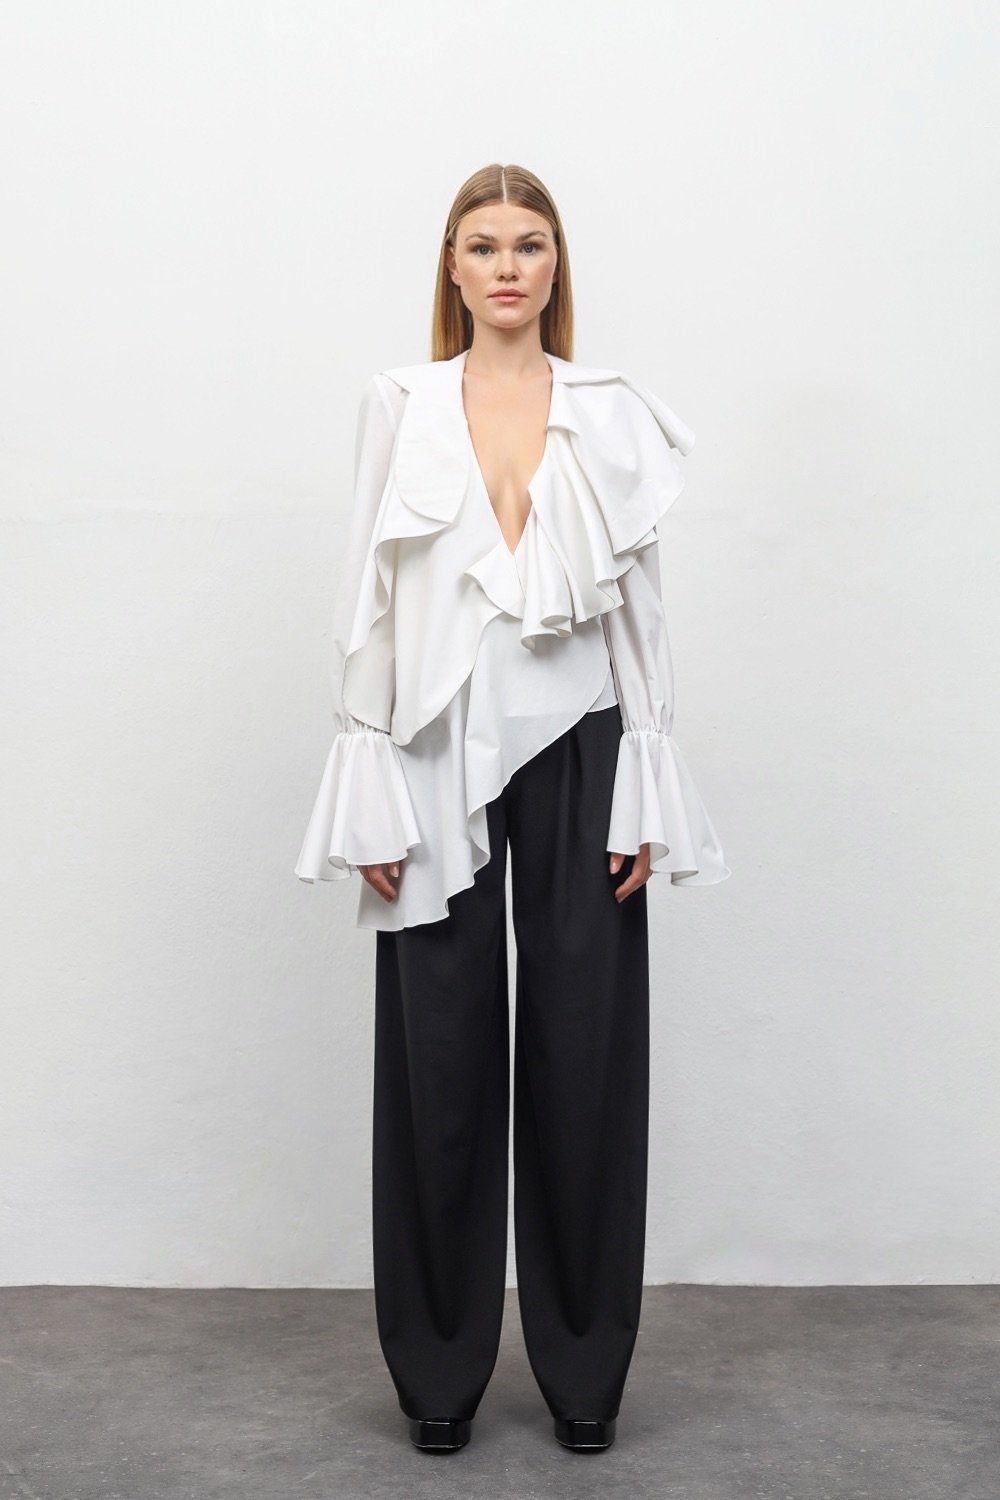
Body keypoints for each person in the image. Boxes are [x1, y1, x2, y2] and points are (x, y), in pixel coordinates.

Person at [295, 162, 730, 1455]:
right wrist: (366, 777)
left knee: (587, 1053)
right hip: (434, 748)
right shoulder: (400, 403)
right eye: (483, 244)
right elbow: (368, 595)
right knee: (437, 1057)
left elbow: (641, 603)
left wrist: (648, 773)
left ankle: (587, 1374)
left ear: (555, 265)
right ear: (452, 264)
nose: (506, 266)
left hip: (584, 744)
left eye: (529, 244)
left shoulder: (608, 410)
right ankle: (437, 1376)